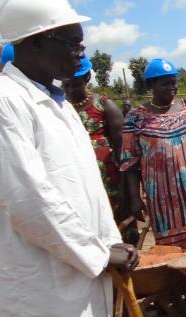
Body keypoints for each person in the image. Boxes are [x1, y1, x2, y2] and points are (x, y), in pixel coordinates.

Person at [0, 1, 138, 317]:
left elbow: (85, 187)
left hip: (78, 279)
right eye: (73, 44)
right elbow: (28, 200)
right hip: (42, 294)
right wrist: (100, 254)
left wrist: (109, 244)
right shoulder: (1, 102)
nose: (81, 53)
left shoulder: (59, 103)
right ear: (36, 42)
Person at [122, 58, 186, 248]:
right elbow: (130, 163)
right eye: (165, 83)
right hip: (166, 199)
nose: (172, 87)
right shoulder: (135, 118)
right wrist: (135, 198)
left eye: (174, 82)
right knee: (174, 255)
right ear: (151, 85)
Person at [61, 56, 133, 243]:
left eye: (75, 84)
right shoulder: (58, 107)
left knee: (118, 225)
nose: (70, 90)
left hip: (109, 181)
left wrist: (126, 187)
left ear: (86, 79)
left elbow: (122, 149)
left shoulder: (104, 105)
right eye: (66, 85)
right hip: (76, 180)